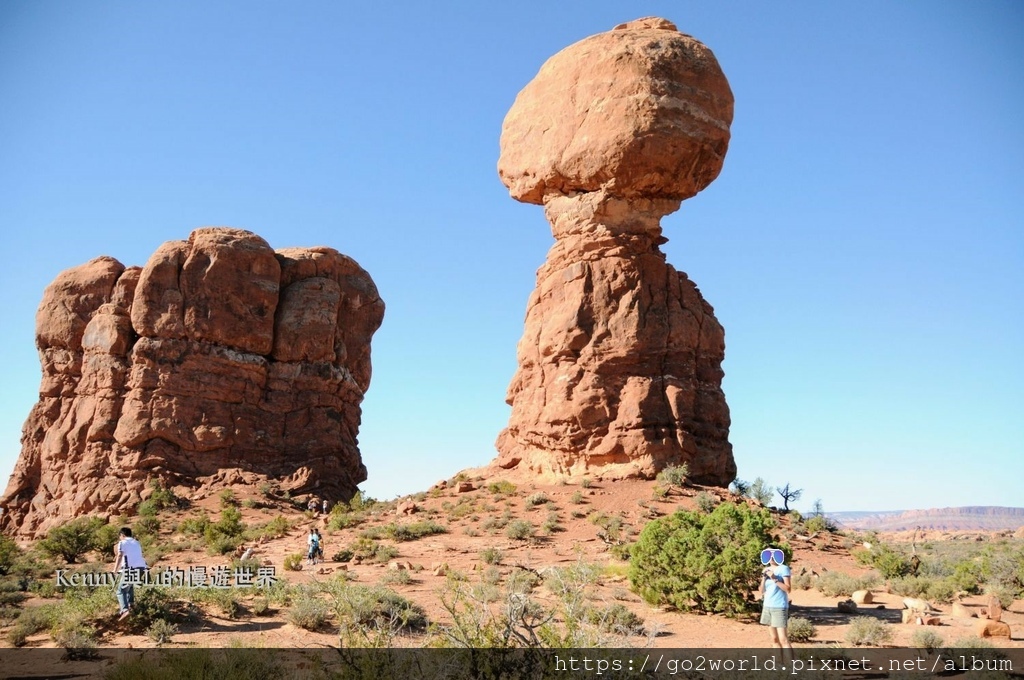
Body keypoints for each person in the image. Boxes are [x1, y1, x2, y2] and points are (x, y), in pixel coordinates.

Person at [759, 546, 793, 663]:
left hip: (779, 606)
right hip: (767, 606)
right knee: (774, 638)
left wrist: (774, 579)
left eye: (774, 554)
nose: (771, 557)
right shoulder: (766, 569)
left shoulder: (784, 569)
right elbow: (762, 591)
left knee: (783, 639)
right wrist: (764, 579)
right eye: (768, 554)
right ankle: (778, 664)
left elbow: (788, 589)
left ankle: (791, 667)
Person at [113, 527, 148, 620]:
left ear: (122, 535)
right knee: (130, 585)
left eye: (119, 536)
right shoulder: (137, 542)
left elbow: (120, 555)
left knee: (121, 591)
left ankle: (125, 610)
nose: (119, 538)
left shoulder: (122, 542)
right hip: (141, 568)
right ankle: (131, 605)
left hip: (130, 569)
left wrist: (115, 570)